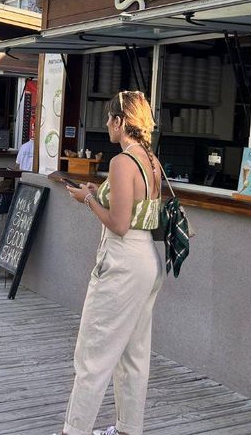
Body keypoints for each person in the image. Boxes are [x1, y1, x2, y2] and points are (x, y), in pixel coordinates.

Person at [62, 90, 164, 435]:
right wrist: (97, 193)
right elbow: (134, 208)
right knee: (134, 355)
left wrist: (87, 198)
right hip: (147, 259)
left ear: (120, 121)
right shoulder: (150, 160)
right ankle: (127, 428)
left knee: (93, 353)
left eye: (109, 118)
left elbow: (119, 224)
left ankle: (74, 430)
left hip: (122, 261)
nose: (106, 124)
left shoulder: (122, 162)